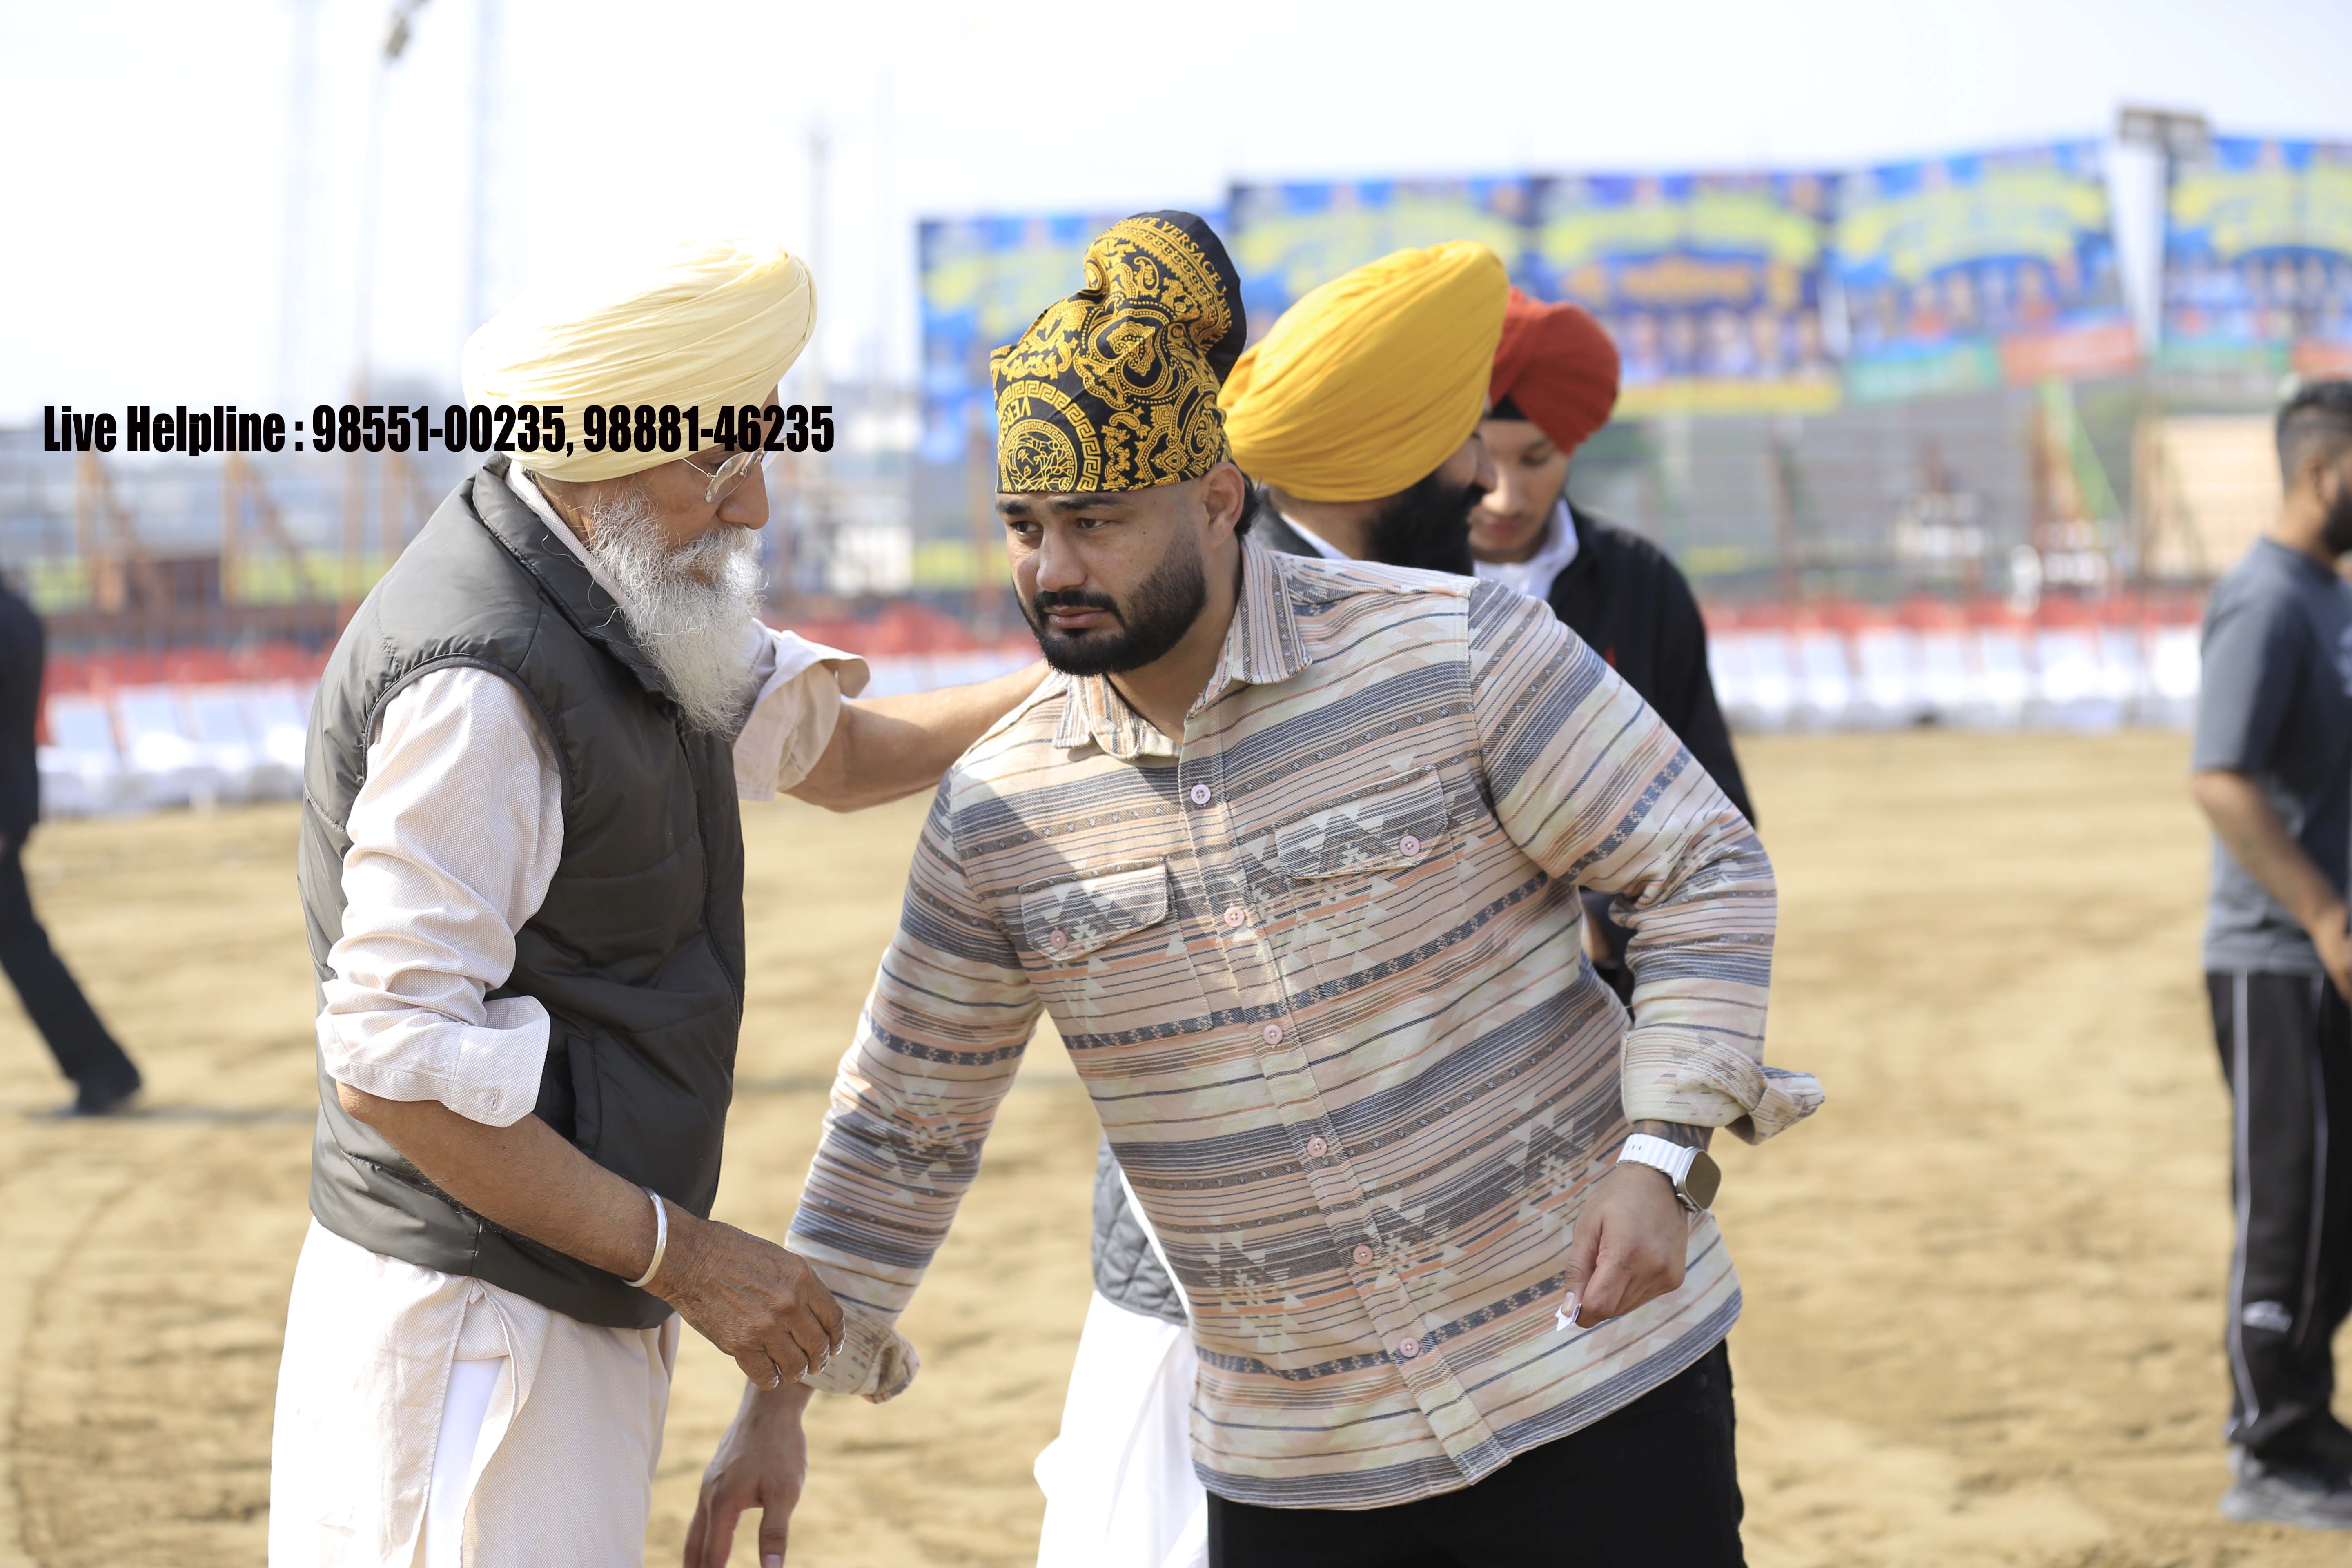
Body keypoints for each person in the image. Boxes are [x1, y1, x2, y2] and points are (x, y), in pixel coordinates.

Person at [688, 211, 1822, 1568]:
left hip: (1601, 1389)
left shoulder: (1457, 655)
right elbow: (903, 1127)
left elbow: (1699, 867)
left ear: (1220, 499)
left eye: (1098, 523)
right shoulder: (999, 813)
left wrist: (1662, 1158)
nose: (1054, 571)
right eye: (1026, 528)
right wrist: (778, 1404)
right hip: (1302, 1477)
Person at [268, 238, 1042, 1568]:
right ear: (595, 453)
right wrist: (690, 1261)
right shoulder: (483, 687)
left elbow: (843, 754)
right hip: (474, 1341)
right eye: (718, 465)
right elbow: (390, 1066)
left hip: (573, 1295)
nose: (755, 507)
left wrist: (1081, 679)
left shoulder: (616, 591)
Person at [1476, 288, 1754, 1002]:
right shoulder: (1394, 586)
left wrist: (1602, 925)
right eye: (1482, 460)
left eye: (1535, 459)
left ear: (1572, 446)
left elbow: (1715, 817)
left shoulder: (1642, 584)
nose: (1506, 496)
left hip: (1620, 996)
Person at [2190, 377, 2352, 1532]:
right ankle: (2272, 1448)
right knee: (2292, 1206)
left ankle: (2312, 1427)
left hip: (2328, 959)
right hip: (2278, 963)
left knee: (2341, 1206)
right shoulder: (2265, 600)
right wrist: (2326, 916)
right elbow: (2221, 779)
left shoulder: (2327, 597)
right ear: (2321, 471)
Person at [0, 577, 142, 1116]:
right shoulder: (18, 611)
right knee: (21, 942)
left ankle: (103, 1069)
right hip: (13, 797)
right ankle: (103, 1069)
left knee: (22, 945)